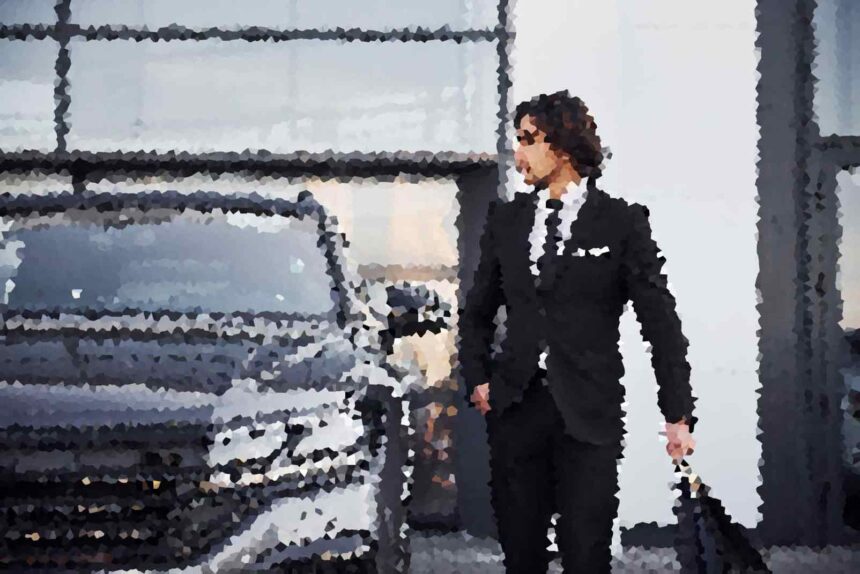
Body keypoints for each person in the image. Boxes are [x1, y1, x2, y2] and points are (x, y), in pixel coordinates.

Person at [458, 90, 697, 573]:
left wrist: (678, 413)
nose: (519, 154)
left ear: (563, 146)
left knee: (586, 553)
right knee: (521, 554)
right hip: (515, 408)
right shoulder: (507, 220)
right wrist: (478, 378)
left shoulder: (621, 222)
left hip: (589, 411)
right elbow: (477, 311)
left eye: (529, 140)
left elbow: (660, 322)